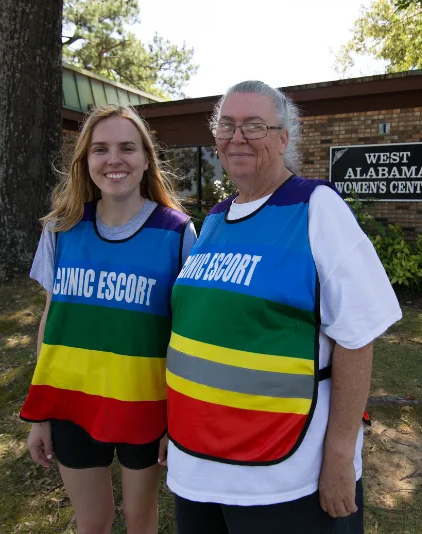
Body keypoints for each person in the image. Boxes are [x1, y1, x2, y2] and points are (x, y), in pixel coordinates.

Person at [164, 81, 402, 534]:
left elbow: (357, 337)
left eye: (254, 125)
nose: (237, 137)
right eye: (227, 125)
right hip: (198, 466)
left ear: (284, 138)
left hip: (283, 475)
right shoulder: (215, 219)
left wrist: (338, 458)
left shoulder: (315, 208)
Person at [20, 104, 196, 534]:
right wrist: (40, 412)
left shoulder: (177, 233)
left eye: (127, 148)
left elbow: (188, 336)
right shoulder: (60, 229)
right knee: (92, 522)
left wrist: (178, 420)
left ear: (146, 158)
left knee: (140, 521)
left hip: (144, 405)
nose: (113, 159)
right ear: (85, 161)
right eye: (100, 149)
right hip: (71, 401)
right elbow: (50, 322)